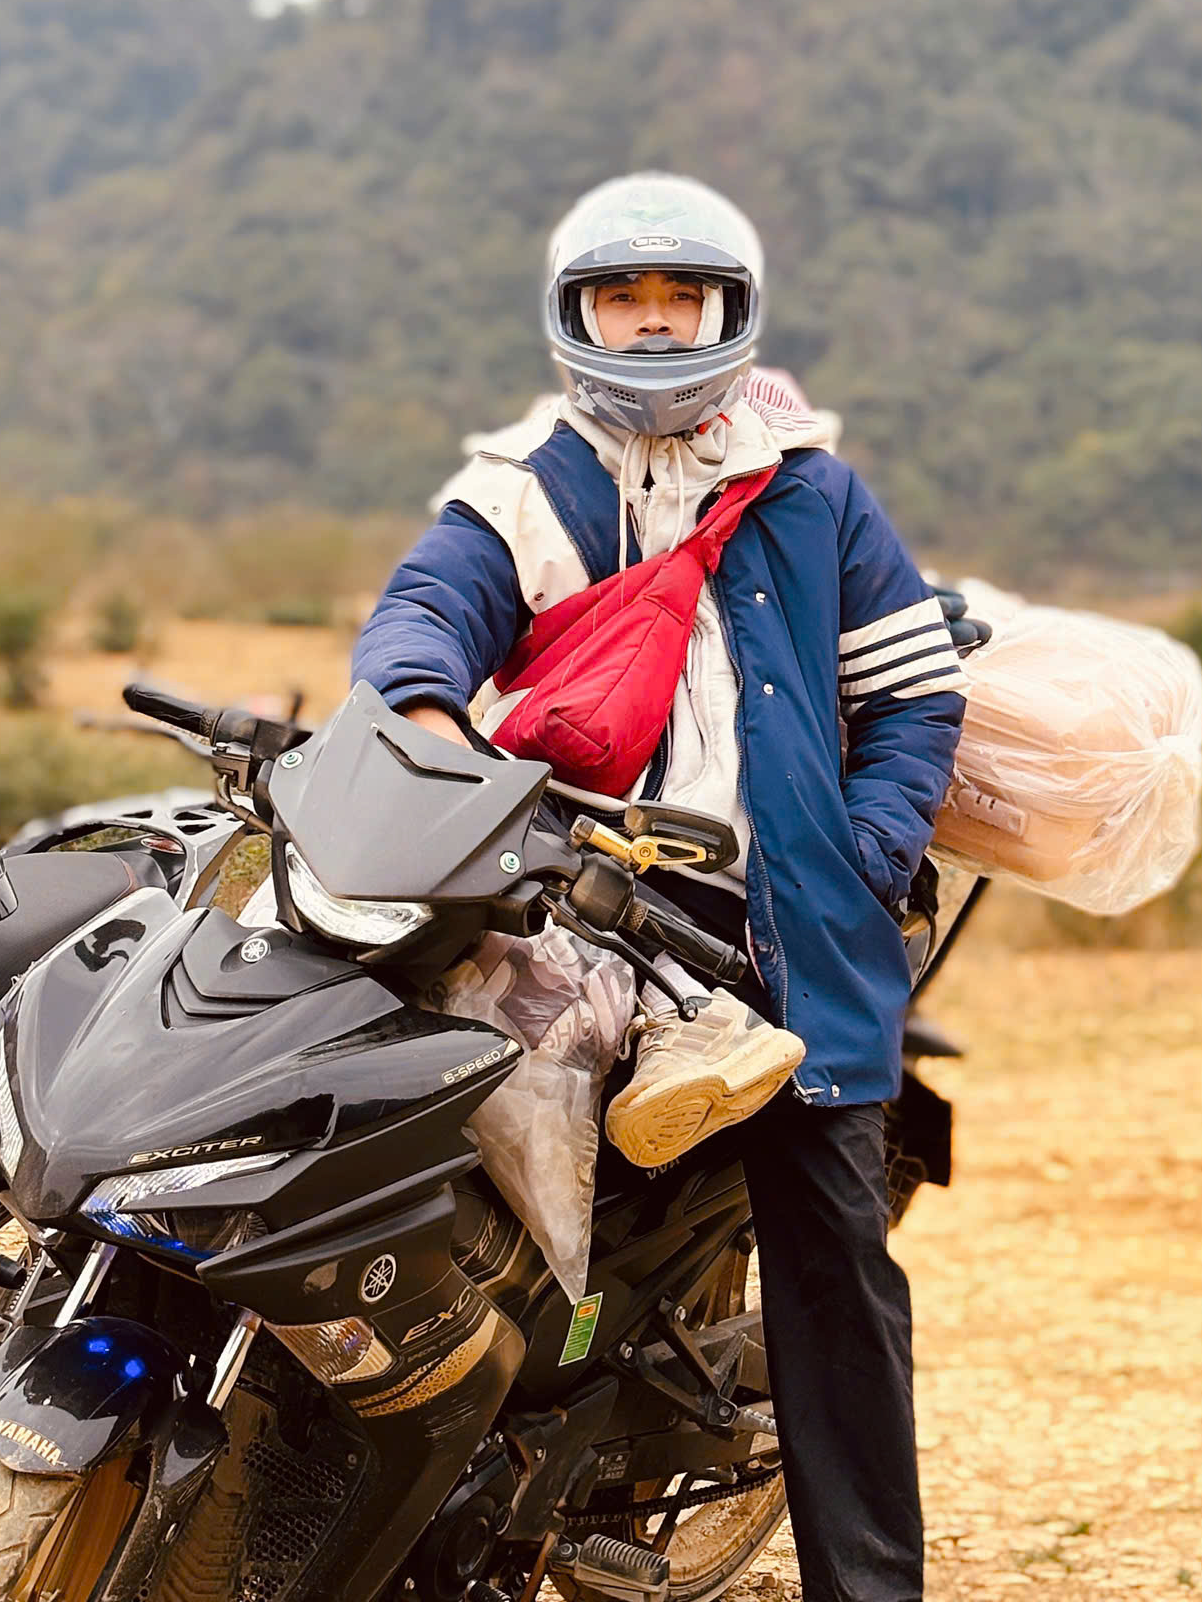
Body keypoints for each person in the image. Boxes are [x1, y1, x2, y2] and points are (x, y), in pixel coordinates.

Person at [354, 171, 964, 1602]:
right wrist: (428, 723)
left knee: (836, 1271)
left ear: (726, 313)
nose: (649, 325)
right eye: (620, 299)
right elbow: (422, 617)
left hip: (780, 932)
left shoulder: (810, 490)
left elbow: (913, 698)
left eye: (677, 299)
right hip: (568, 911)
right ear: (575, 316)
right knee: (449, 1196)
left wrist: (861, 859)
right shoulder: (529, 486)